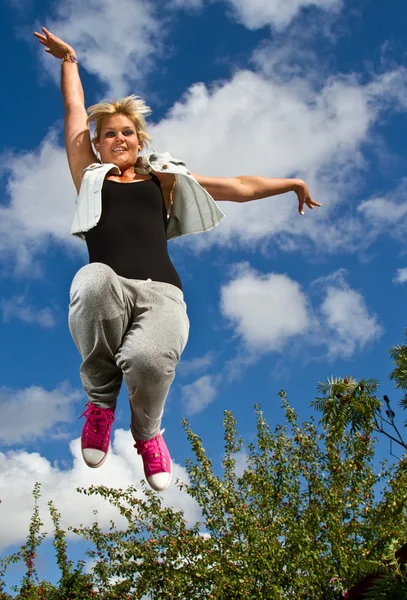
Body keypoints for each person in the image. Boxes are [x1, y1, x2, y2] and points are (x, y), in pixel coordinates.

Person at [33, 27, 322, 492]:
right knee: (91, 280)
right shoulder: (89, 175)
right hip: (109, 287)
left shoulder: (164, 181)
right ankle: (100, 405)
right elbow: (72, 114)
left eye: (127, 132)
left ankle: (147, 435)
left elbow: (240, 186)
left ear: (140, 140)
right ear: (99, 143)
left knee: (149, 361)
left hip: (162, 294)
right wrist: (69, 61)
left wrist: (290, 183)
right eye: (109, 134)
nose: (119, 139)